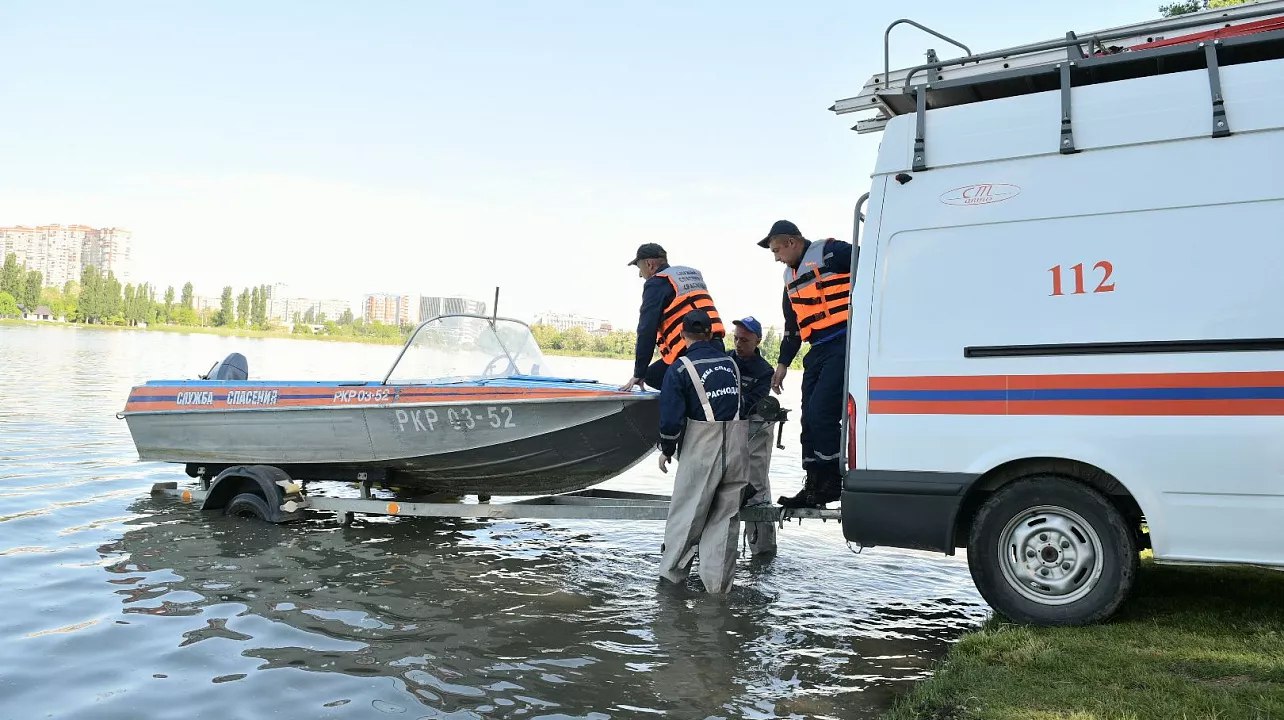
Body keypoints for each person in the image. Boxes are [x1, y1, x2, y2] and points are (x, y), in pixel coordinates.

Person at [759, 219, 854, 509]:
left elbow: (873, 261)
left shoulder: (830, 252)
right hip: (818, 350)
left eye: (777, 250)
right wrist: (783, 363)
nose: (776, 257)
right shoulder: (789, 279)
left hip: (844, 342)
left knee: (821, 412)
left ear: (791, 242)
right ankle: (813, 484)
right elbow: (792, 327)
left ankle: (832, 482)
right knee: (808, 418)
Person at [655, 309, 749, 594]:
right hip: (736, 447)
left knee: (688, 516)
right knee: (725, 521)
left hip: (702, 446)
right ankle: (718, 591)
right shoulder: (732, 364)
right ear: (710, 333)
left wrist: (667, 448)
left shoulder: (681, 367)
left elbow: (671, 417)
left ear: (683, 335)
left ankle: (670, 586)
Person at [621, 243, 725, 391]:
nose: (640, 275)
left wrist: (639, 372)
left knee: (652, 376)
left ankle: (684, 404)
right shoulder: (688, 276)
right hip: (717, 347)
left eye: (639, 268)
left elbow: (646, 330)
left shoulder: (656, 283)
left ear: (649, 264)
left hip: (690, 352)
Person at [728, 316, 778, 556]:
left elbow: (753, 402)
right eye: (736, 338)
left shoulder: (764, 371)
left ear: (757, 340)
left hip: (754, 434)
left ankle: (763, 553)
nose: (738, 344)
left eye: (744, 340)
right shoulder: (725, 360)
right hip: (727, 437)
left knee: (757, 492)